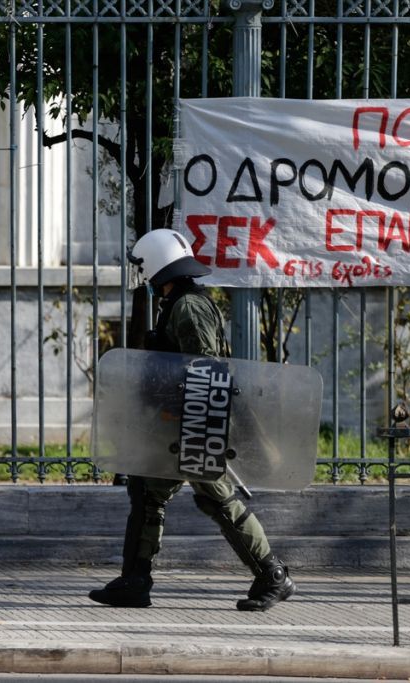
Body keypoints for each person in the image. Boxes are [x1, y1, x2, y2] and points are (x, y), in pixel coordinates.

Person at [88, 228, 296, 612]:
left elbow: (202, 368)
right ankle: (135, 580)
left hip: (196, 424)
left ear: (155, 264)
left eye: (143, 267)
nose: (142, 275)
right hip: (181, 424)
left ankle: (273, 575)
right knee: (148, 492)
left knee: (220, 500)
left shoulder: (189, 306)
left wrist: (187, 419)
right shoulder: (178, 302)